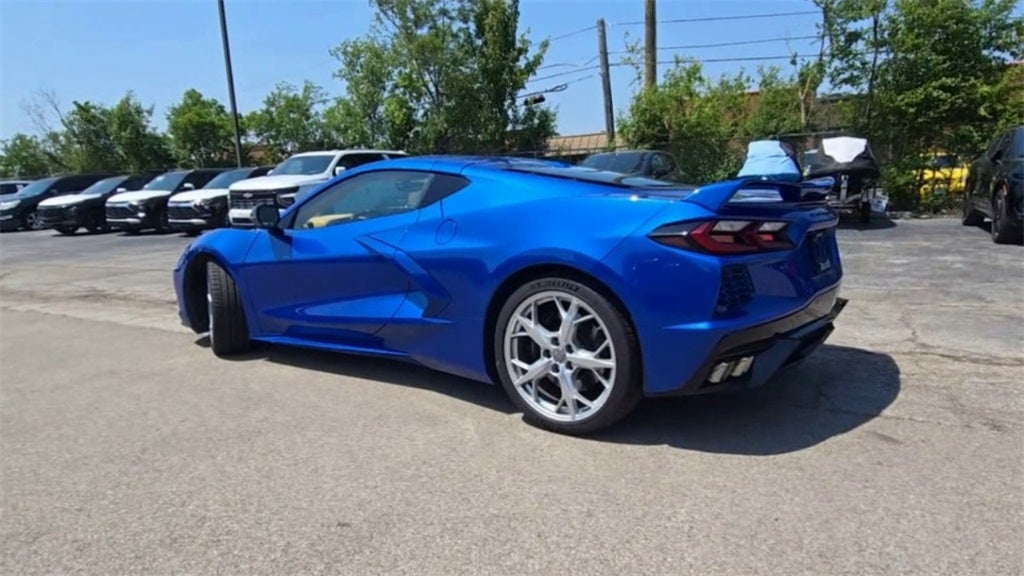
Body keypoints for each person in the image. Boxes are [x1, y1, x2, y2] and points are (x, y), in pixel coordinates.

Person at [737, 140, 802, 182]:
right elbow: (792, 155)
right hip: (785, 172)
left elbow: (744, 160)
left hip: (750, 174)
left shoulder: (751, 147)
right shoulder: (783, 145)